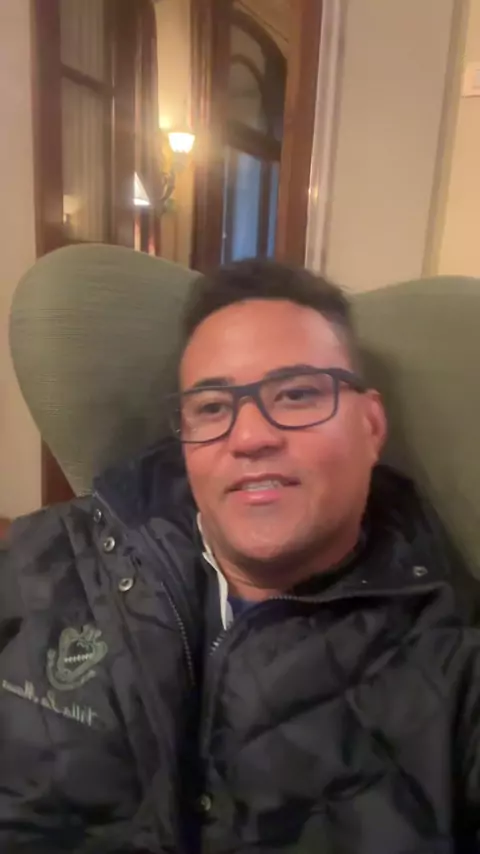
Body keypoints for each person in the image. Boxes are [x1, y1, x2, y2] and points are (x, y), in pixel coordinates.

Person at [1, 259, 480, 854]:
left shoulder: (455, 669)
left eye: (297, 394)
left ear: (371, 424)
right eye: (212, 407)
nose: (250, 437)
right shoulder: (47, 557)